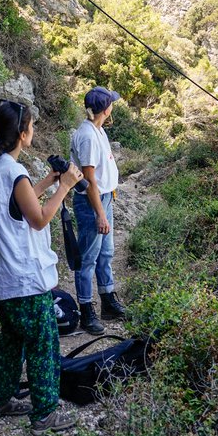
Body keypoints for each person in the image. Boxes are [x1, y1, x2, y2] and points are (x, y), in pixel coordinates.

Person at [0, 101, 84, 436]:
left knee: (12, 338)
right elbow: (37, 218)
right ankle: (45, 414)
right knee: (43, 343)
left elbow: (17, 204)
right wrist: (64, 187)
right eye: (31, 126)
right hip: (22, 279)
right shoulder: (12, 172)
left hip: (0, 278)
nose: (33, 131)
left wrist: (49, 179)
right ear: (22, 134)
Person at [69, 86, 128, 334]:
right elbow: (89, 180)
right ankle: (86, 311)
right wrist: (100, 214)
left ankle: (108, 300)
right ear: (106, 109)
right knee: (88, 258)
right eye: (111, 103)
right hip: (92, 201)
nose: (113, 106)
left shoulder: (98, 130)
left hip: (105, 198)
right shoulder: (88, 137)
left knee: (106, 252)